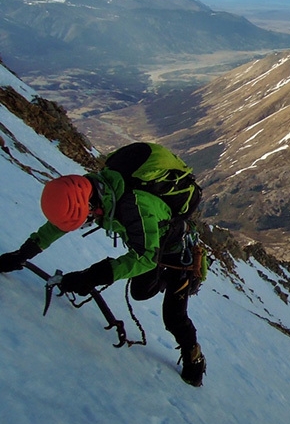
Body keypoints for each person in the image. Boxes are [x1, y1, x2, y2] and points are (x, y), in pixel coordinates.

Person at [0, 160, 206, 387]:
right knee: (140, 292)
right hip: (150, 245)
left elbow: (146, 259)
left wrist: (91, 277)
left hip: (178, 255)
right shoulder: (92, 191)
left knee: (173, 317)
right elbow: (62, 223)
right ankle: (166, 280)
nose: (84, 224)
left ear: (90, 207)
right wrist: (22, 254)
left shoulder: (135, 206)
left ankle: (194, 359)